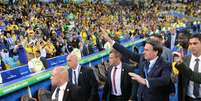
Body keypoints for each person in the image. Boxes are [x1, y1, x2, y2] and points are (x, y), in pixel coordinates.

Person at [101, 27, 171, 101]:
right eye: (144, 49)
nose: (144, 52)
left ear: (155, 52)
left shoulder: (165, 64)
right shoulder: (142, 58)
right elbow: (126, 52)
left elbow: (164, 80)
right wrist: (109, 40)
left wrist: (145, 81)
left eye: (147, 50)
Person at [175, 34, 201, 101]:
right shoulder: (184, 60)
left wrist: (180, 65)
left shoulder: (181, 63)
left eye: (195, 43)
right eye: (190, 44)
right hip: (188, 98)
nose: (192, 46)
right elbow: (180, 84)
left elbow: (196, 77)